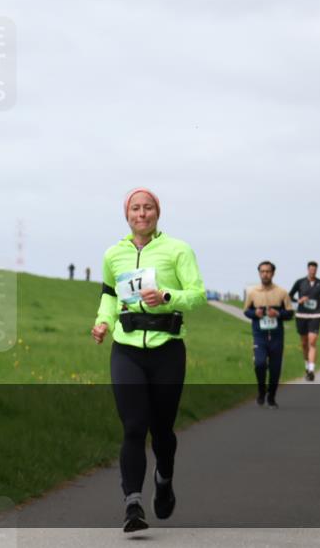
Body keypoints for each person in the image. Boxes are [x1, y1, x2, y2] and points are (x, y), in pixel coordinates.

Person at [91, 188, 206, 533]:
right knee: (133, 426)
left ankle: (164, 478)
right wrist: (102, 322)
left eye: (149, 208)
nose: (142, 214)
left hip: (167, 348)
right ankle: (133, 504)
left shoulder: (178, 250)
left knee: (162, 432)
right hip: (126, 348)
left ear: (158, 213)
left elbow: (197, 295)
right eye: (135, 209)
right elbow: (109, 296)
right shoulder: (114, 254)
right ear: (127, 215)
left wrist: (167, 296)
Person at [246, 262, 294, 407]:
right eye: (262, 271)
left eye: (268, 271)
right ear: (259, 273)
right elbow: (246, 311)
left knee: (275, 369)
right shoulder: (252, 292)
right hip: (259, 336)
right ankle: (261, 391)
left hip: (276, 337)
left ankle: (271, 397)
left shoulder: (282, 292)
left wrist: (278, 313)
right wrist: (255, 313)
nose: (265, 274)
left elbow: (290, 313)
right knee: (259, 364)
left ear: (273, 273)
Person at [288, 261, 320, 381]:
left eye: (315, 270)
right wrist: (298, 300)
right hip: (301, 315)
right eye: (311, 269)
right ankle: (307, 366)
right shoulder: (300, 282)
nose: (313, 271)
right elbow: (290, 295)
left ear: (316, 270)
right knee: (304, 343)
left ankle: (312, 370)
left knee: (312, 341)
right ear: (308, 270)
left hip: (316, 314)